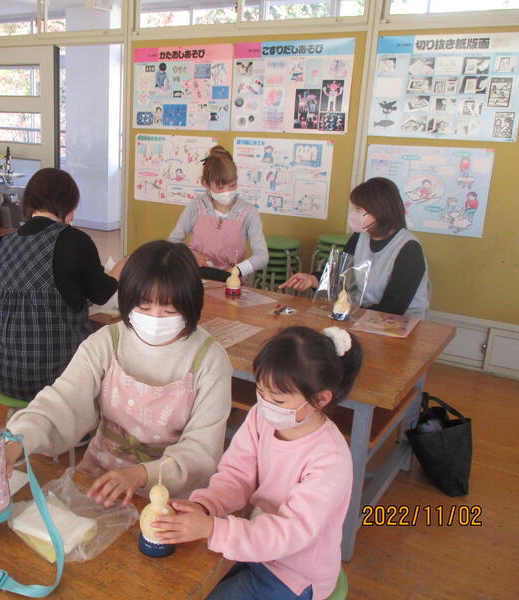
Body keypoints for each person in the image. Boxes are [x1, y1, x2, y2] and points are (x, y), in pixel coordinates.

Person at [3, 241, 232, 505]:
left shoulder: (209, 360)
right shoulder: (107, 342)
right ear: (127, 300)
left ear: (192, 305)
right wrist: (17, 441)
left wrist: (141, 474)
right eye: (144, 307)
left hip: (170, 491)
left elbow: (202, 449)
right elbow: (63, 400)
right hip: (100, 476)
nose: (156, 318)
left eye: (170, 310)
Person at [151, 326, 363, 600]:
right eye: (260, 390)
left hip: (293, 575)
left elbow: (291, 533)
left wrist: (213, 528)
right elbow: (236, 476)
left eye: (277, 399)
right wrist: (205, 506)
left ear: (320, 399)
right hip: (254, 547)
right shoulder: (259, 417)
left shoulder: (330, 459)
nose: (264, 403)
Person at [0, 168, 124, 402]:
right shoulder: (74, 240)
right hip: (56, 373)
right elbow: (101, 294)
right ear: (70, 204)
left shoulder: (8, 242)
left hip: (1, 367)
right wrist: (120, 268)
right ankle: (77, 423)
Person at [280, 177, 430, 317]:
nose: (354, 214)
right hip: (361, 315)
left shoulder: (409, 249)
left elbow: (394, 307)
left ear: (380, 211)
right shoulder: (359, 236)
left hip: (398, 322)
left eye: (359, 209)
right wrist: (313, 279)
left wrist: (352, 316)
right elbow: (342, 275)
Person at [167, 145, 268, 282]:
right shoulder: (196, 206)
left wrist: (237, 270)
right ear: (206, 184)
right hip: (196, 278)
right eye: (220, 187)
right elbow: (172, 241)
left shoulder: (248, 213)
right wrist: (190, 254)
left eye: (232, 185)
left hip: (231, 281)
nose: (227, 192)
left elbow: (262, 256)